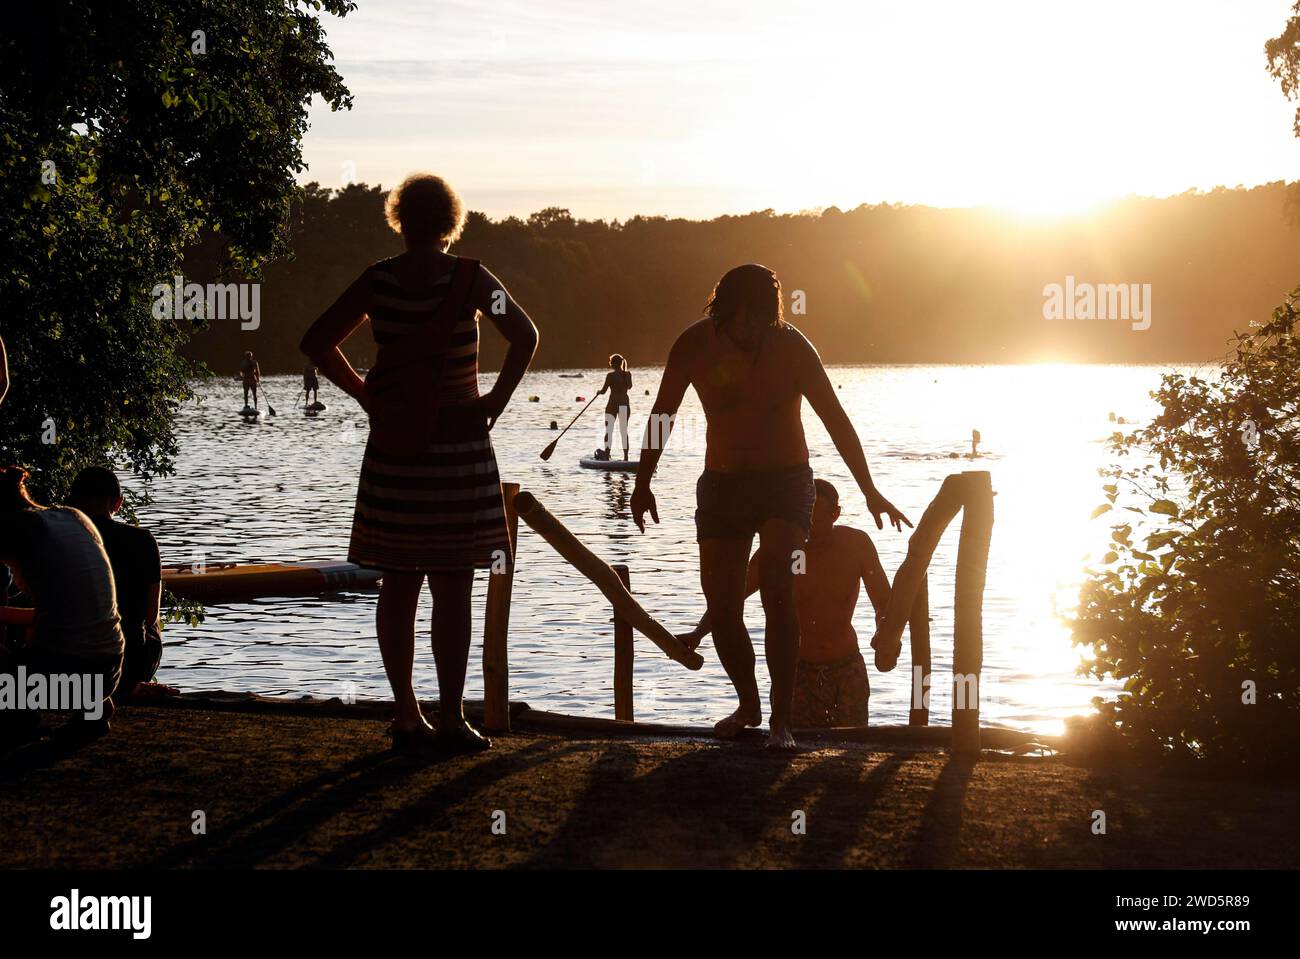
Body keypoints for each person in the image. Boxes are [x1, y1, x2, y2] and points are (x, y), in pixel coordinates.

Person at [301, 172, 538, 754]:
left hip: (395, 447)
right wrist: (493, 404)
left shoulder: (378, 279)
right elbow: (525, 335)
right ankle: (453, 716)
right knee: (454, 585)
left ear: (400, 219)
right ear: (451, 221)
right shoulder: (472, 279)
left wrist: (364, 393)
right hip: (459, 443)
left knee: (399, 583)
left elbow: (316, 340)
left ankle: (407, 713)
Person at [630, 263, 910, 750]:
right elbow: (663, 414)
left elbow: (837, 421)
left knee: (778, 585)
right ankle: (749, 703)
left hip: (785, 484)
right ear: (723, 311)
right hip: (722, 486)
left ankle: (782, 722)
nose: (753, 332)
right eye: (744, 321)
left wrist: (869, 489)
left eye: (763, 321)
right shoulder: (693, 346)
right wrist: (643, 480)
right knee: (721, 606)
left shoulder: (793, 348)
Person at [677, 479, 889, 727]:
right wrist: (698, 634)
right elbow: (730, 599)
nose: (809, 531)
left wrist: (884, 632)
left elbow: (883, 601)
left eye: (817, 522)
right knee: (793, 749)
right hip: (796, 672)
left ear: (835, 514)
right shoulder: (787, 549)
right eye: (805, 522)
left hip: (846, 667)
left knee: (853, 747)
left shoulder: (856, 545)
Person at [0, 467, 124, 740]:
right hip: (110, 668)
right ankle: (90, 704)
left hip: (65, 674)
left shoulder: (18, 529)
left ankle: (21, 718)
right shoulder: (73, 516)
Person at [67, 467, 163, 700]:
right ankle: (129, 684)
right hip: (127, 660)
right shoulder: (143, 540)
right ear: (118, 503)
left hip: (69, 658)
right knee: (152, 628)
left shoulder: (62, 539)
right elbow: (151, 616)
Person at [597, 354, 632, 461]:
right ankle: (626, 456)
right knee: (623, 431)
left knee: (609, 431)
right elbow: (629, 387)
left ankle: (607, 455)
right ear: (621, 363)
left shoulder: (610, 376)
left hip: (612, 405)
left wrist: (598, 392)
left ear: (612, 364)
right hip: (624, 404)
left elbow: (603, 391)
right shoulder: (628, 374)